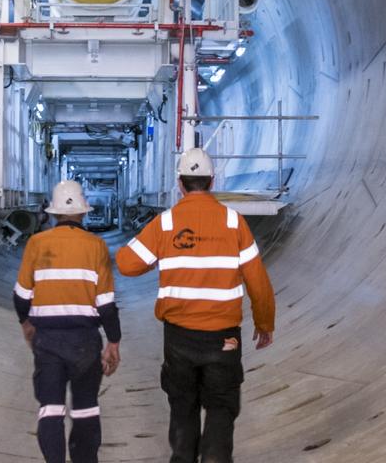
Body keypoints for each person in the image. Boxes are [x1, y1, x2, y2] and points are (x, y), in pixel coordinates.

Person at [115, 148, 276, 463]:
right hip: (224, 337)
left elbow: (126, 265)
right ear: (212, 181)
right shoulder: (234, 223)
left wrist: (152, 244)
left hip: (179, 338)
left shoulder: (166, 223)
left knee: (183, 403)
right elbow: (257, 280)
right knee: (221, 405)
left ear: (180, 184)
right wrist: (265, 323)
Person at [13, 180, 121, 463]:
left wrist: (27, 324)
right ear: (83, 213)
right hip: (85, 340)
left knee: (50, 409)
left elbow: (22, 296)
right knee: (85, 410)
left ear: (53, 213)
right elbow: (106, 304)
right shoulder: (96, 246)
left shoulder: (36, 243)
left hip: (47, 341)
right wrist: (113, 341)